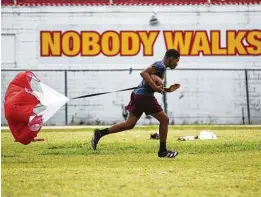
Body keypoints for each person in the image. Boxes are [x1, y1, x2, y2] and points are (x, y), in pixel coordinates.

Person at [91, 49, 180, 158]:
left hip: (138, 95)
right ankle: (163, 151)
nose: (177, 63)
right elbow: (143, 73)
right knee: (164, 119)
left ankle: (100, 133)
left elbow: (152, 84)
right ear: (171, 59)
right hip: (144, 97)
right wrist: (155, 88)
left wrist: (167, 89)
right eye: (177, 60)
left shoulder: (160, 66)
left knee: (129, 124)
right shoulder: (160, 66)